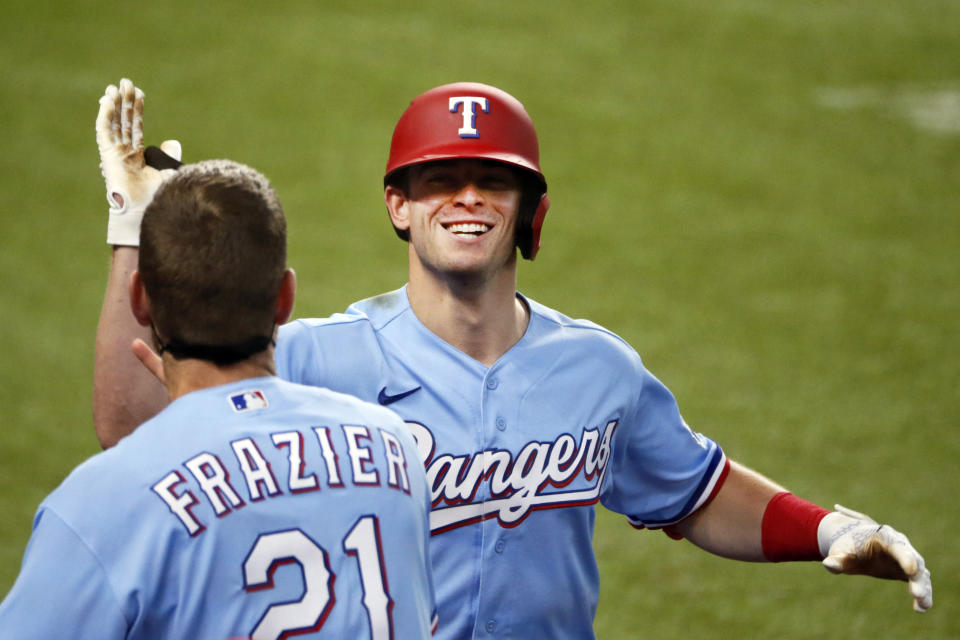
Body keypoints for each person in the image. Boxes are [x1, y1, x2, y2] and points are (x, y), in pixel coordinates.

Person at [91, 80, 933, 639]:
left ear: (530, 209)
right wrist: (133, 228)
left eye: (491, 180)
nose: (465, 196)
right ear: (399, 206)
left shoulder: (596, 370)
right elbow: (135, 429)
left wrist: (830, 527)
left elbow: (697, 491)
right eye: (439, 179)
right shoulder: (315, 360)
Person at [0, 79, 438, 640]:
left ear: (140, 301)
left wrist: (130, 229)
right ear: (285, 298)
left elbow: (144, 452)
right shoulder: (393, 448)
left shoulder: (98, 505)